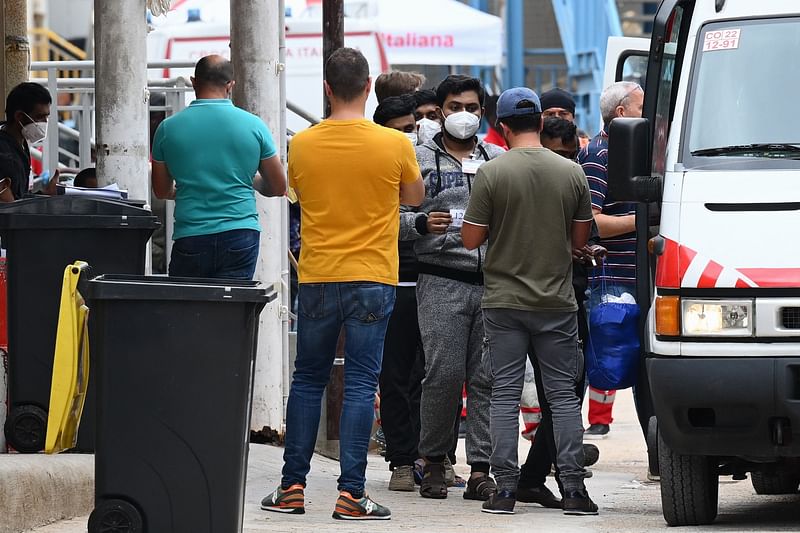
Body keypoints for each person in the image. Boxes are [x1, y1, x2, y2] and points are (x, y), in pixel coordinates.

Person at [261, 47, 424, 521]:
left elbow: (296, 193)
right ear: (369, 87)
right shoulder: (395, 144)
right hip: (373, 275)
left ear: (327, 89)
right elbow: (414, 197)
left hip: (318, 275)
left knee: (307, 379)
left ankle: (292, 486)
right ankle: (352, 493)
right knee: (359, 383)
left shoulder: (304, 144)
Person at [461, 87, 597, 516]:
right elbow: (580, 240)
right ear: (541, 122)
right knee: (562, 396)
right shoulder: (570, 172)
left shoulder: (492, 173)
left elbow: (470, 239)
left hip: (503, 301)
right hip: (556, 301)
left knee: (503, 394)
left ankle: (504, 490)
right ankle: (574, 491)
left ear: (502, 127)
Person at [401, 74, 505, 501]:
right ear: (440, 110)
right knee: (443, 374)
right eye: (455, 106)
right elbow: (388, 220)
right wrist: (420, 223)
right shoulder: (415, 159)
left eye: (473, 107)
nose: (464, 115)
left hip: (493, 283)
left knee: (486, 378)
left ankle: (481, 468)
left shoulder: (498, 159)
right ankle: (435, 461)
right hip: (441, 279)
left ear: (483, 112)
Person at [515, 117, 603, 509]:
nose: (564, 162)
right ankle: (532, 481)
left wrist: (583, 250)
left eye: (570, 156)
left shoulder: (574, 181)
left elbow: (587, 232)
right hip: (526, 301)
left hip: (569, 298)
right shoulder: (515, 181)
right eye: (556, 154)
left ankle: (530, 479)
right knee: (539, 394)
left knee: (567, 391)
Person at [151, 55, 286, 280]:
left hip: (191, 235)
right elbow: (279, 186)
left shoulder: (167, 129)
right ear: (230, 85)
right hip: (240, 232)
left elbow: (161, 190)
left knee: (188, 311)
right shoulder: (254, 126)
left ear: (194, 82)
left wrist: (186, 190)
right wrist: (248, 181)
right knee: (232, 312)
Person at [577, 81, 643, 439]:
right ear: (621, 113)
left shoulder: (635, 152)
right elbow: (591, 222)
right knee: (613, 361)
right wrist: (643, 222)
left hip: (640, 275)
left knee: (643, 364)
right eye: (640, 107)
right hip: (613, 279)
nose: (647, 115)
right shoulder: (600, 156)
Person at [372, 94, 426, 492]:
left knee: (434, 377)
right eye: (404, 129)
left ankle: (433, 455)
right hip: (389, 280)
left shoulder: (437, 162)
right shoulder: (378, 166)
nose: (413, 134)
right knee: (395, 377)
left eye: (417, 126)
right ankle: (402, 461)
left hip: (436, 282)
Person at [0, 82, 54, 201]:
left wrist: (45, 193)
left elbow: (20, 196)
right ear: (19, 116)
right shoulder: (5, 157)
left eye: (47, 117)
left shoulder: (19, 143)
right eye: (39, 117)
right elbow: (12, 206)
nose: (44, 123)